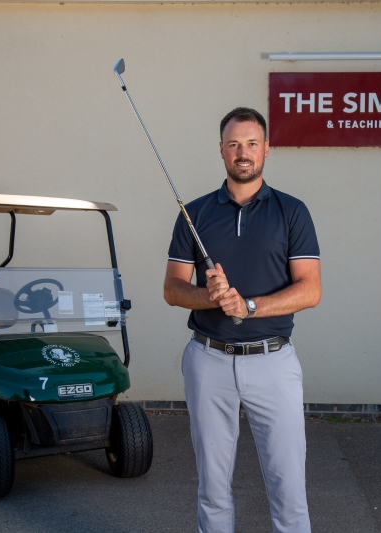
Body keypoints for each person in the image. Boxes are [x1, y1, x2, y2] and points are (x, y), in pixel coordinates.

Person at [163, 107, 321, 533]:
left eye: (251, 143)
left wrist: (248, 306)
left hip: (273, 361)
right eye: (234, 144)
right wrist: (210, 297)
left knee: (288, 486)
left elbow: (310, 290)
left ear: (267, 149)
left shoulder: (292, 212)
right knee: (213, 487)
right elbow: (173, 289)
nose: (243, 152)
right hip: (208, 359)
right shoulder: (194, 213)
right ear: (221, 150)